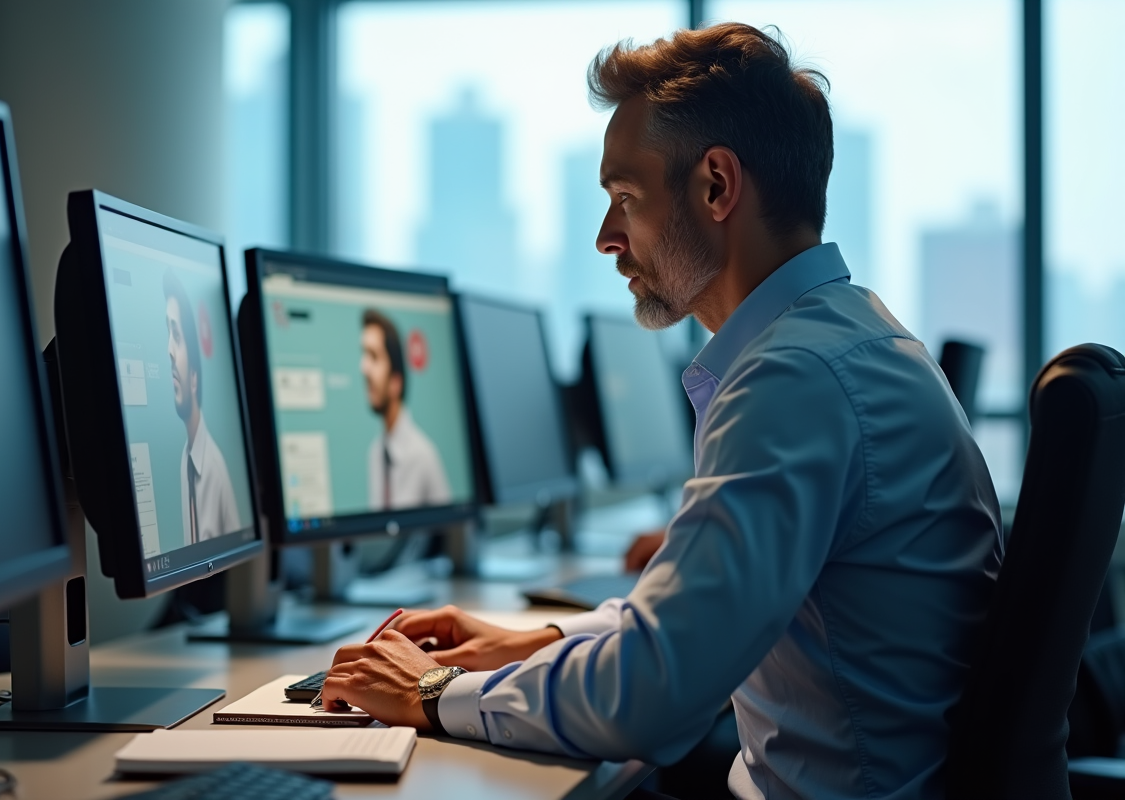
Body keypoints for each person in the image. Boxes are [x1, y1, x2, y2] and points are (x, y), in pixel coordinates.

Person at [320, 23, 1003, 799]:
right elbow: (694, 625)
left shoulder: (794, 380)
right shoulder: (842, 340)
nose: (606, 238)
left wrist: (434, 691)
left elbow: (651, 696)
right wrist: (534, 641)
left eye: (625, 198)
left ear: (716, 186)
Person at [164, 269, 240, 545]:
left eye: (176, 335)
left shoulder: (215, 470)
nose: (169, 350)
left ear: (195, 376)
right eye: (168, 333)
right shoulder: (186, 461)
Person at [360, 308, 451, 510]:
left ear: (396, 381)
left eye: (373, 357)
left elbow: (451, 526)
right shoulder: (375, 454)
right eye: (364, 355)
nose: (364, 368)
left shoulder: (424, 456)